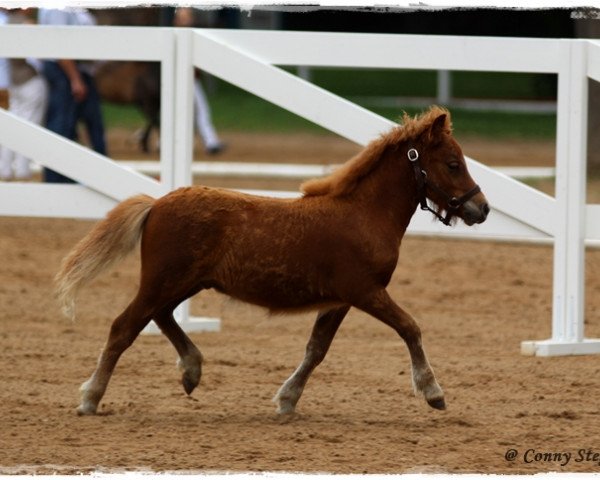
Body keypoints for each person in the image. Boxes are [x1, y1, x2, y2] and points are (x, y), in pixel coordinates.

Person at [37, 7, 107, 183]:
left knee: (79, 125)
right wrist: (75, 78)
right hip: (65, 72)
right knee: (62, 126)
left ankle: (93, 175)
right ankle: (56, 179)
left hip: (76, 71)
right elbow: (59, 44)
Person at [0, 9, 48, 181]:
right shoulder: (24, 24)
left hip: (14, 82)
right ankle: (22, 169)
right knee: (29, 128)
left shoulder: (7, 23)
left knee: (13, 127)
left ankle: (5, 169)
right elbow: (37, 58)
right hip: (28, 81)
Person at [174, 7, 225, 155]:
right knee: (193, 111)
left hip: (191, 80)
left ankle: (210, 141)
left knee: (198, 111)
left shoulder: (194, 36)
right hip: (178, 80)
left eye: (188, 16)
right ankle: (210, 141)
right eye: (183, 16)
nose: (187, 20)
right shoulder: (176, 35)